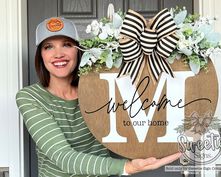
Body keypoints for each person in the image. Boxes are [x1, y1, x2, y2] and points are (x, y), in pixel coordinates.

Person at [16, 17, 181, 177]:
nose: (58, 54)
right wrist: (127, 167)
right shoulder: (30, 97)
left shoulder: (99, 88)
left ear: (79, 50)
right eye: (48, 47)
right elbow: (64, 158)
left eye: (67, 44)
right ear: (41, 55)